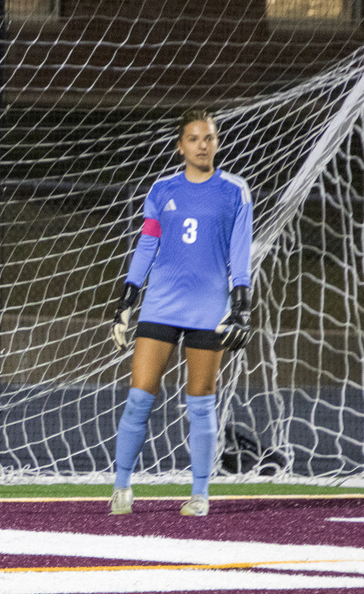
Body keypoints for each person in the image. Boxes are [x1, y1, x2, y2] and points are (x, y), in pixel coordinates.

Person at [108, 109, 252, 517]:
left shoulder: (235, 191)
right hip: (161, 304)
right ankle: (121, 486)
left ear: (217, 142)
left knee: (201, 403)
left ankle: (200, 493)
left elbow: (241, 250)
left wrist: (242, 306)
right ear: (180, 146)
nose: (202, 145)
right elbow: (147, 244)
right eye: (193, 138)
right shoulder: (161, 189)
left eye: (208, 138)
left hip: (209, 307)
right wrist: (127, 299)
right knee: (139, 397)